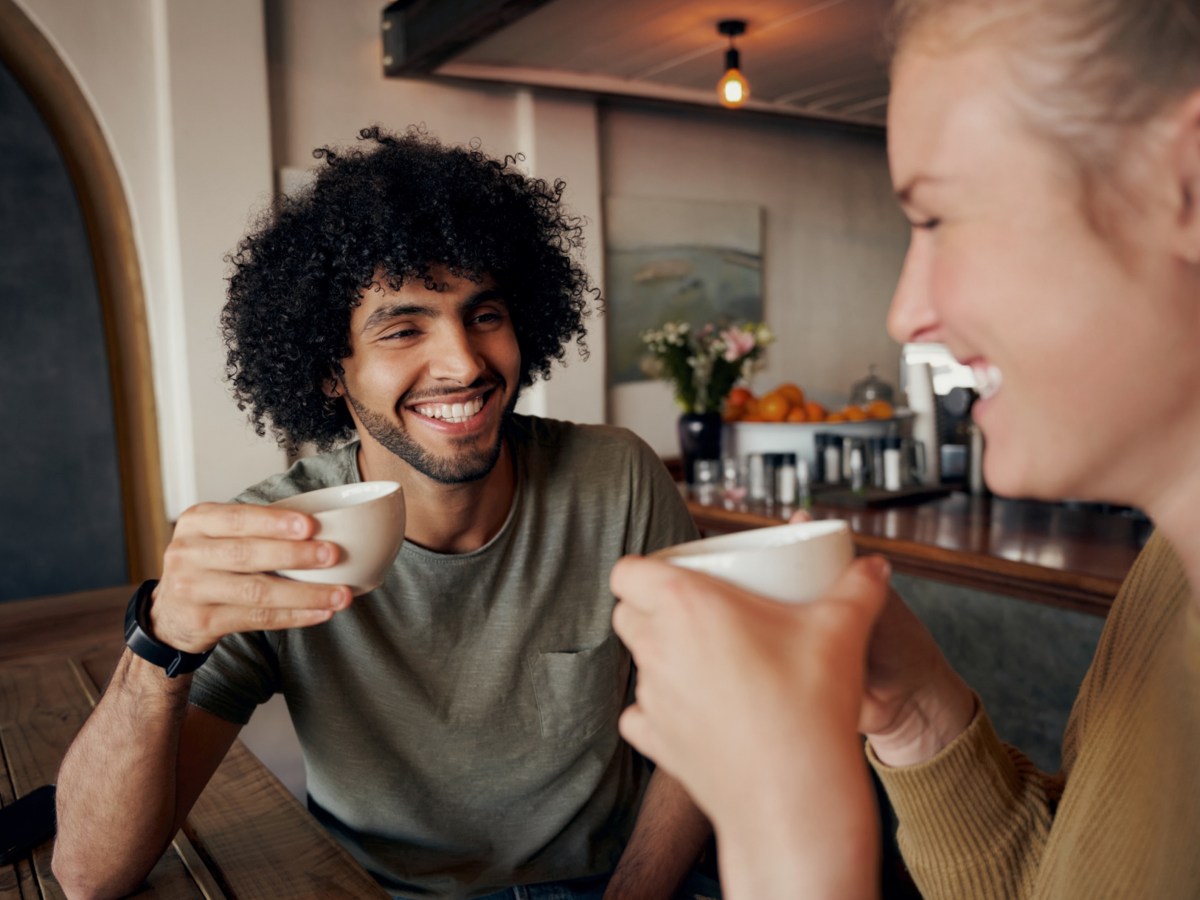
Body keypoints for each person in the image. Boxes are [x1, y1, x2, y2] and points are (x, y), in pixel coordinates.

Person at [610, 0, 1200, 897]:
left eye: (939, 219)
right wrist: (913, 708)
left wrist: (785, 824)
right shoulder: (1169, 578)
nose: (903, 313)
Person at [51, 126, 716, 900]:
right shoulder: (278, 537)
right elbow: (89, 875)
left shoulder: (618, 479)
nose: (464, 362)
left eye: (485, 315)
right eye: (403, 329)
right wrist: (160, 642)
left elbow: (704, 718)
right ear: (331, 371)